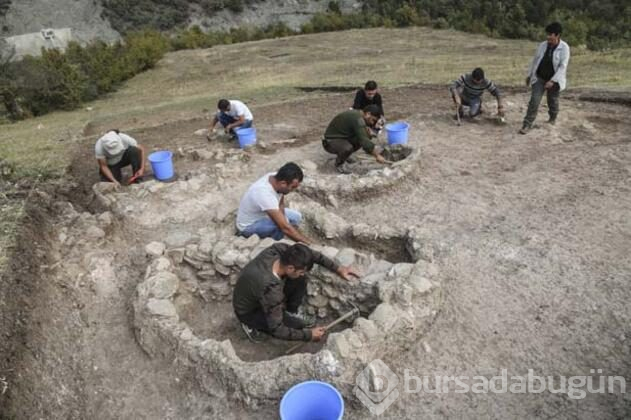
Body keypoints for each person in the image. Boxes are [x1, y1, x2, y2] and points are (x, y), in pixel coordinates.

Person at [233, 243, 359, 342]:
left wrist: (338, 268)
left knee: (300, 279)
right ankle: (249, 324)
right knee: (290, 324)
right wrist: (309, 335)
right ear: (290, 268)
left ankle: (291, 311)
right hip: (248, 310)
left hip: (253, 291)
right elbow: (278, 330)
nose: (303, 273)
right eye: (301, 271)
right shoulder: (271, 290)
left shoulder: (279, 250)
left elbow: (313, 255)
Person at [236, 162, 312, 244]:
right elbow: (285, 228)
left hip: (263, 213)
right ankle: (273, 243)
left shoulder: (276, 177)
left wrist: (284, 219)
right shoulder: (264, 194)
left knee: (296, 217)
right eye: (292, 187)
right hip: (248, 227)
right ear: (283, 183)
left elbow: (280, 200)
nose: (293, 190)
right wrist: (308, 244)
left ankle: (285, 234)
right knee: (280, 226)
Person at [520, 22, 570, 134]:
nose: (548, 37)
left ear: (557, 35)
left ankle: (552, 117)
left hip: (555, 79)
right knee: (534, 101)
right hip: (539, 77)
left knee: (552, 100)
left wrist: (552, 80)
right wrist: (529, 75)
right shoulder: (543, 45)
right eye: (547, 34)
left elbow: (563, 66)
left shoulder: (564, 48)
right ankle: (527, 124)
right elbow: (535, 61)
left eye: (550, 34)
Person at [322, 105, 386, 174]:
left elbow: (363, 137)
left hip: (341, 138)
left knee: (364, 136)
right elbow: (364, 140)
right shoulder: (357, 119)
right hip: (329, 141)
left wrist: (368, 135)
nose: (372, 123)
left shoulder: (358, 115)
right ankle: (339, 164)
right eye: (373, 120)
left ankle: (345, 156)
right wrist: (377, 155)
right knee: (347, 148)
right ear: (368, 114)